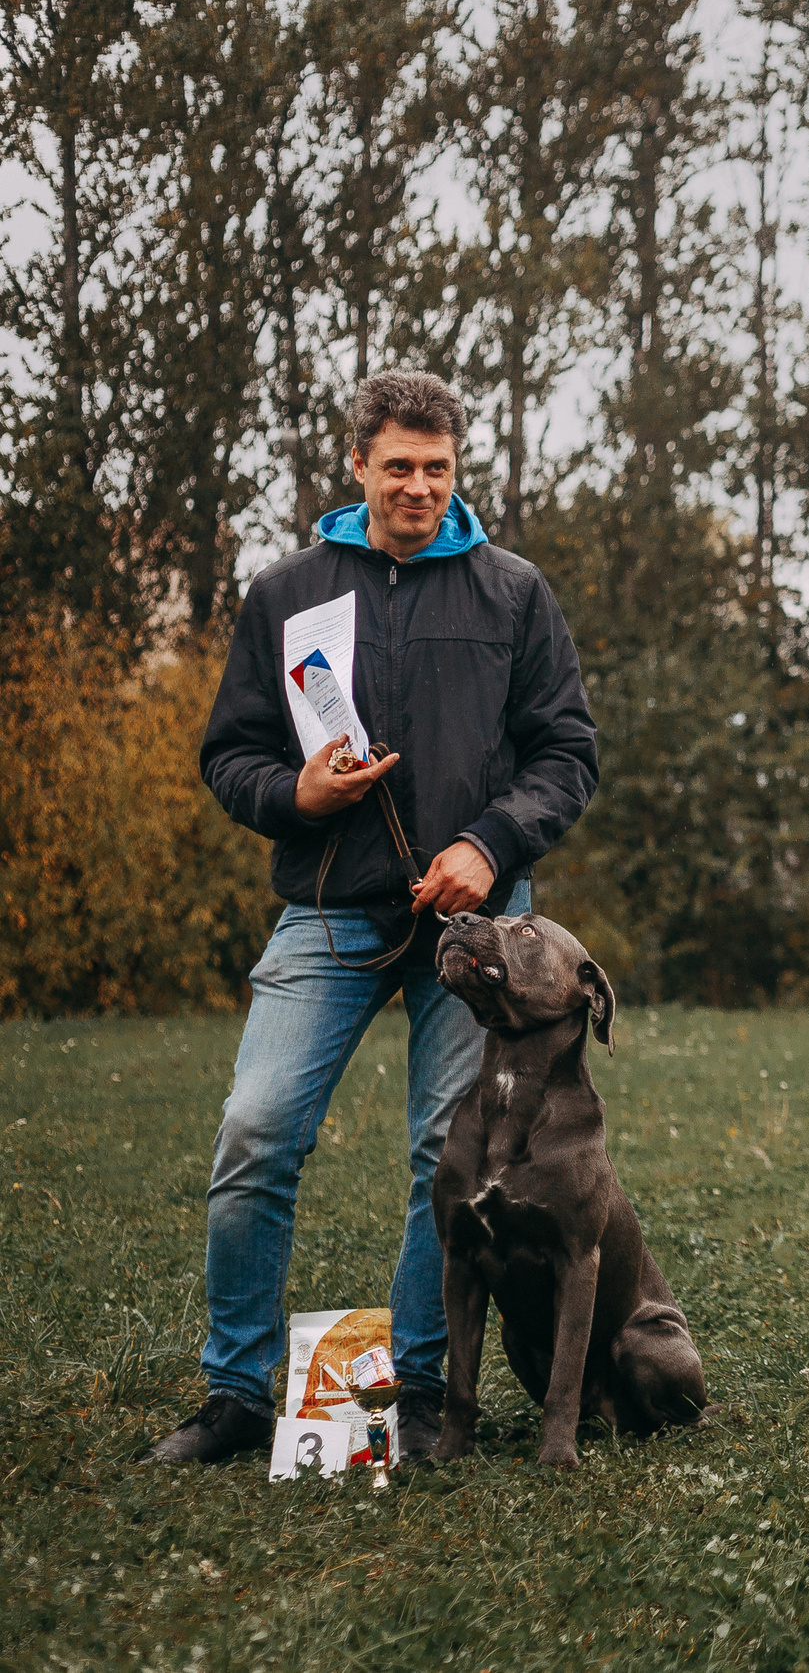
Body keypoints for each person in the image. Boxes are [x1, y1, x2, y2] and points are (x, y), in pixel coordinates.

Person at [148, 371, 598, 1464]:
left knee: (443, 1164)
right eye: (397, 466)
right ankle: (236, 1395)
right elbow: (231, 756)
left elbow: (566, 755)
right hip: (326, 914)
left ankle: (414, 1393)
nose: (418, 487)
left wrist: (485, 846)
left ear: (457, 469)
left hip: (479, 934)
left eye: (437, 469)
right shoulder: (289, 595)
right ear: (357, 465)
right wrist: (294, 797)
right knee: (256, 1132)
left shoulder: (512, 593)